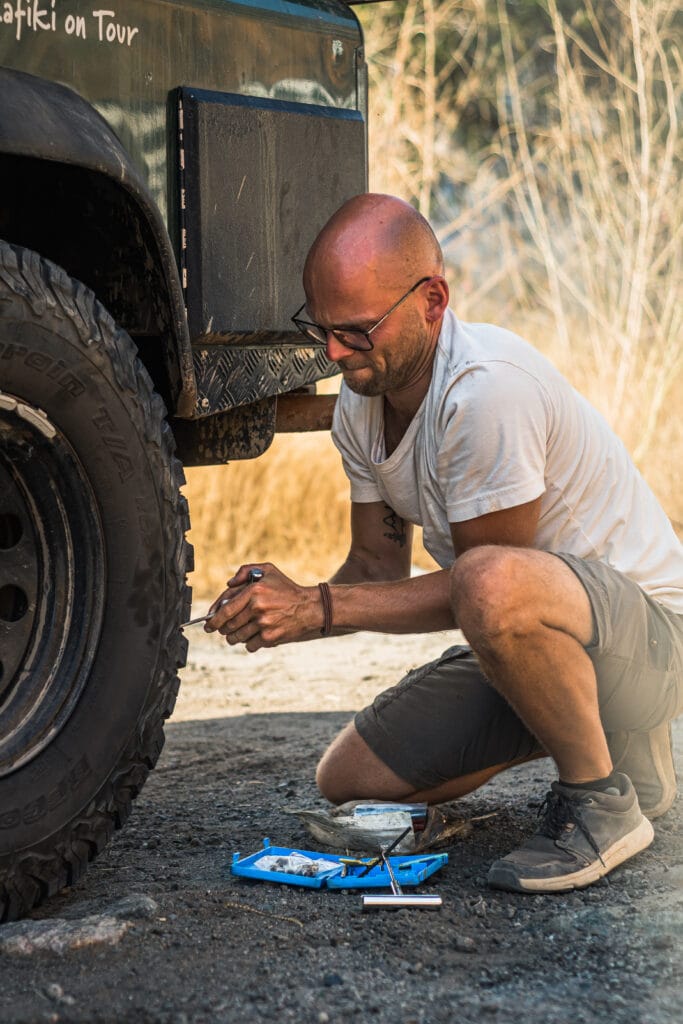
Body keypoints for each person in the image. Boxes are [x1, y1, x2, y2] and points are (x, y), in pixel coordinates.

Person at [205, 193, 683, 893]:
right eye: (322, 328)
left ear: (431, 300)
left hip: (651, 642)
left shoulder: (485, 391)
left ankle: (600, 804)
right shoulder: (362, 404)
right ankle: (607, 736)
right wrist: (281, 607)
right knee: (349, 778)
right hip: (537, 631)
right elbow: (373, 567)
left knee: (489, 581)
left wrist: (318, 607)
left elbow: (482, 586)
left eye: (358, 330)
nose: (335, 353)